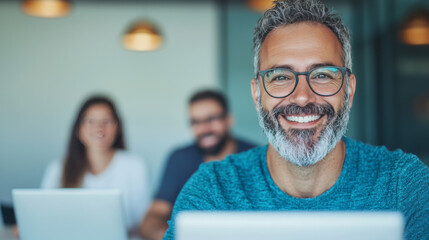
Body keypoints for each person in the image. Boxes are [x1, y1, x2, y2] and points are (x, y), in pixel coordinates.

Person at [163, 1, 429, 240]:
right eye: (280, 76)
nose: (302, 97)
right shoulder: (213, 190)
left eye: (323, 75)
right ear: (257, 93)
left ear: (349, 88)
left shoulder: (404, 185)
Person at [140, 90, 255, 240]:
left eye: (212, 119)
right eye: (196, 122)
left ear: (229, 120)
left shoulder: (254, 157)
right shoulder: (179, 159)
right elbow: (153, 217)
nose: (204, 129)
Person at [41, 95, 149, 234]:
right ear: (78, 129)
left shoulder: (135, 166)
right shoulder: (57, 168)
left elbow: (144, 222)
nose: (99, 128)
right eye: (90, 121)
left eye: (106, 121)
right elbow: (44, 216)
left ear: (117, 127)